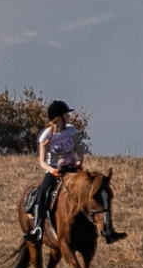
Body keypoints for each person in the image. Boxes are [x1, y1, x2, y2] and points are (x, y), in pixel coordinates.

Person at [24, 101, 127, 244]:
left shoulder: (72, 131)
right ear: (58, 117)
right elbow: (41, 162)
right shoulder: (46, 135)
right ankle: (37, 229)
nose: (69, 116)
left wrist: (79, 161)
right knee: (43, 193)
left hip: (73, 168)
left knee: (96, 193)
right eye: (66, 114)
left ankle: (109, 230)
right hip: (55, 170)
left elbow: (79, 150)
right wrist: (52, 170)